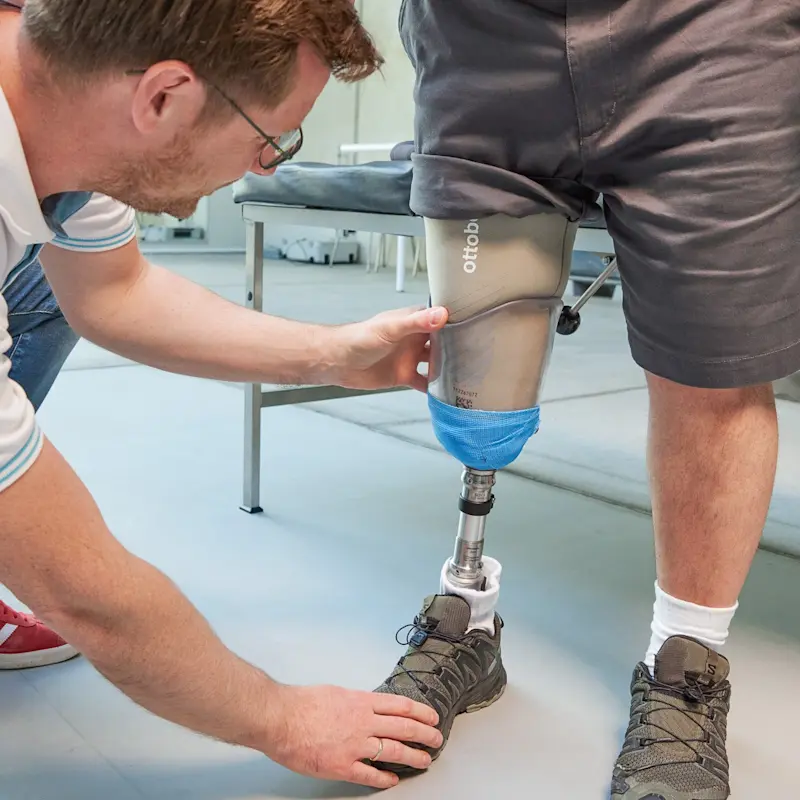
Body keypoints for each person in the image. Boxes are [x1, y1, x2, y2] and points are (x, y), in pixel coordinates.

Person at [0, 0, 448, 790]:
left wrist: (334, 355)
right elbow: (84, 594)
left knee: (44, 287)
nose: (269, 165)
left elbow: (115, 294)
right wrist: (281, 717)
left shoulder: (66, 107)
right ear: (165, 97)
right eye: (269, 138)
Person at [369, 1, 799, 798]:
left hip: (710, 33)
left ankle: (686, 665)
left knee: (712, 370)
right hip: (481, 32)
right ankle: (468, 617)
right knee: (478, 378)